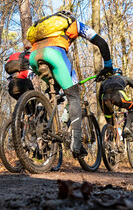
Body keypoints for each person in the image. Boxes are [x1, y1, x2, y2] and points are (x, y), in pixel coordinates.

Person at [26, 10, 113, 157]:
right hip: (54, 54)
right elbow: (101, 43)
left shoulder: (45, 28)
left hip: (34, 58)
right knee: (73, 96)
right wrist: (108, 66)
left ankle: (39, 125)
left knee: (53, 89)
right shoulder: (74, 23)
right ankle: (76, 143)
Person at [98, 68, 133, 140]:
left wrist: (103, 110)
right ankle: (127, 127)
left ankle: (109, 139)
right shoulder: (125, 78)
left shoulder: (104, 81)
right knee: (131, 109)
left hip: (105, 98)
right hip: (118, 96)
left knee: (109, 121)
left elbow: (99, 97)